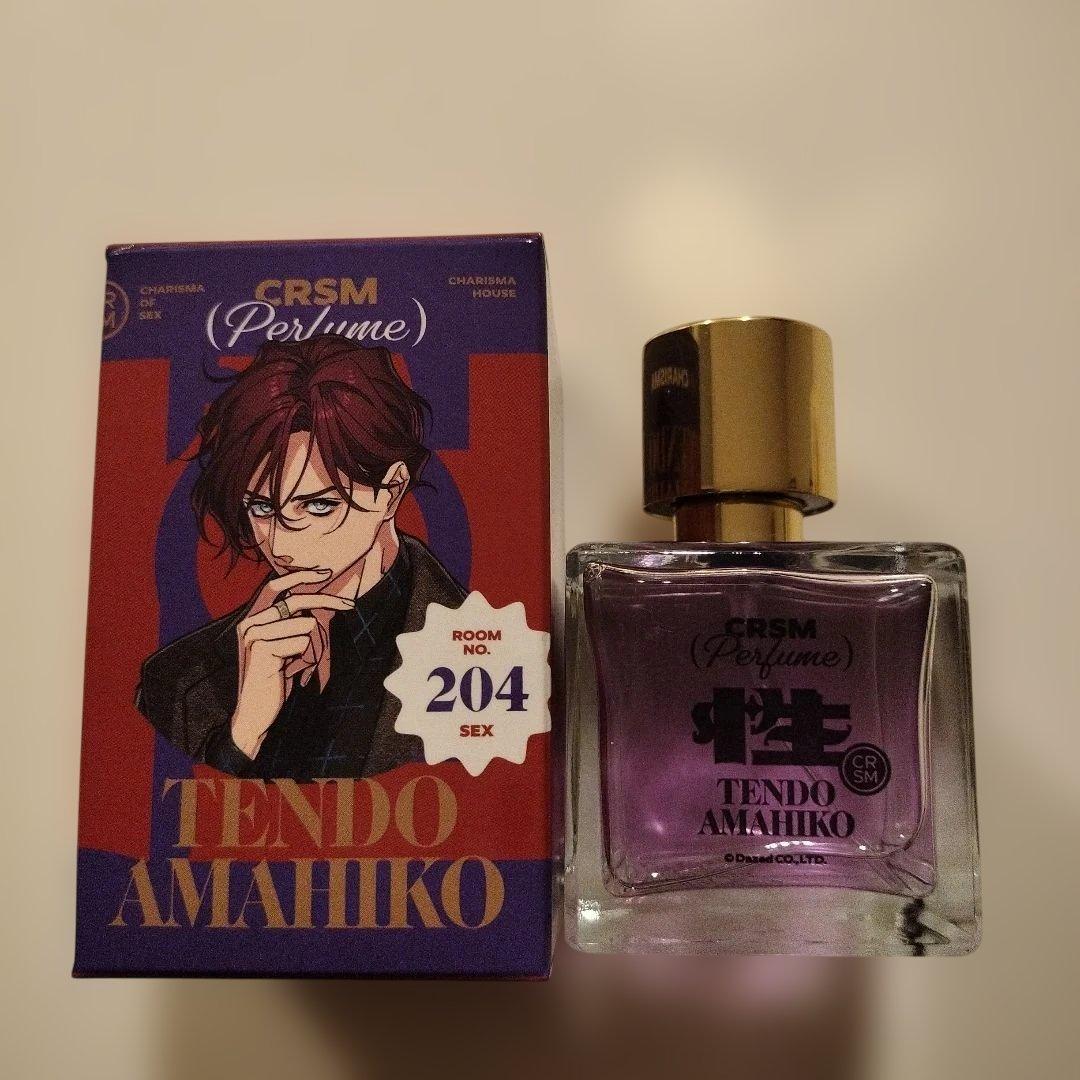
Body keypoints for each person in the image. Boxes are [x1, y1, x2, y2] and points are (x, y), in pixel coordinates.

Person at [135, 334, 465, 780]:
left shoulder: (477, 650)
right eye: (262, 508)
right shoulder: (175, 680)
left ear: (391, 491)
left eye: (319, 506)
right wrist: (244, 732)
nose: (282, 546)